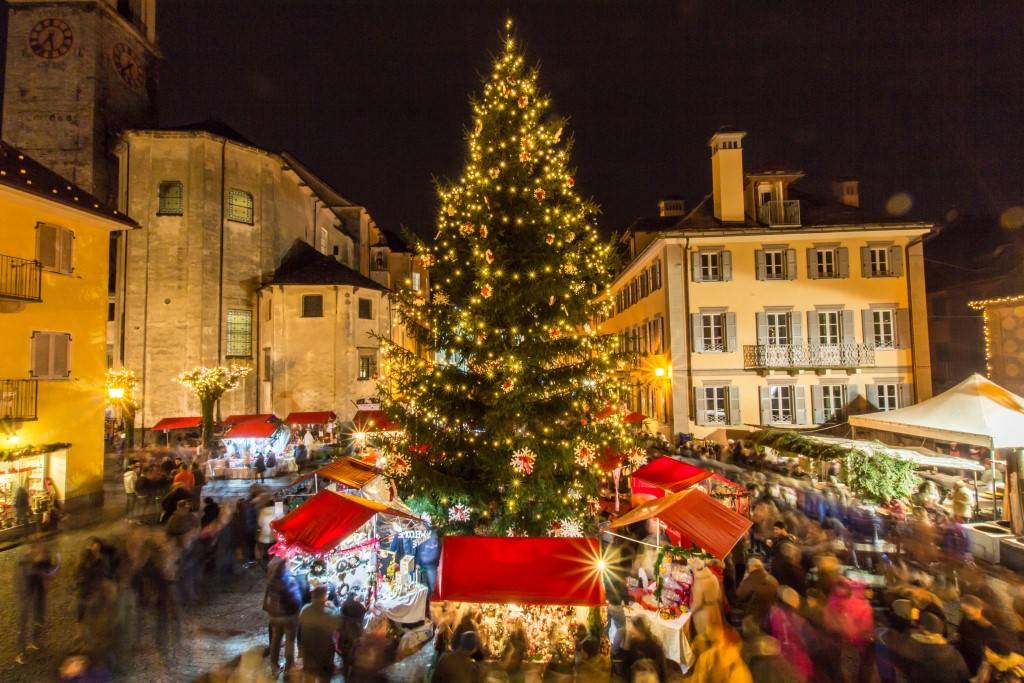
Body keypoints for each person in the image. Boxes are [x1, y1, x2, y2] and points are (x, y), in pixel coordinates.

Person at [15, 536, 60, 664]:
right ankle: (20, 652)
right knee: (23, 621)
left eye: (40, 545)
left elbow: (49, 569)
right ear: (29, 548)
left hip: (38, 590)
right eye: (35, 546)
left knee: (39, 616)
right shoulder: (24, 559)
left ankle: (34, 641)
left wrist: (50, 572)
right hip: (25, 591)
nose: (40, 548)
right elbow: (32, 571)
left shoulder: (42, 555)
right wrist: (38, 562)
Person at [897, 611, 970, 683]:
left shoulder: (906, 645)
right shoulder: (952, 654)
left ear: (921, 627)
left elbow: (903, 672)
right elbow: (964, 676)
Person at [263, 557, 303, 676]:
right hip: (288, 617)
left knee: (276, 639)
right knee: (290, 641)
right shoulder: (289, 580)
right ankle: (289, 666)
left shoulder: (271, 580)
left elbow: (267, 600)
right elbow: (296, 600)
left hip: (274, 616)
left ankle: (274, 666)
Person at [299, 585, 341, 682]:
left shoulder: (304, 610)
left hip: (308, 652)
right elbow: (339, 622)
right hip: (324, 654)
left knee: (309, 678)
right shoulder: (329, 613)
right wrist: (333, 607)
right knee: (324, 678)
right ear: (324, 597)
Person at [958, 595, 1001, 675]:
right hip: (964, 656)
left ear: (979, 609)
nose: (965, 614)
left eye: (967, 610)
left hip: (978, 661)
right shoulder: (966, 619)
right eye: (963, 611)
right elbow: (960, 633)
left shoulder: (991, 630)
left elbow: (994, 652)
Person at [737, 558, 779, 627]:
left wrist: (742, 583)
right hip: (770, 614)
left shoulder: (750, 580)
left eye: (748, 567)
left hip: (754, 615)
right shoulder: (773, 579)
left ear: (752, 567)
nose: (747, 569)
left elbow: (740, 595)